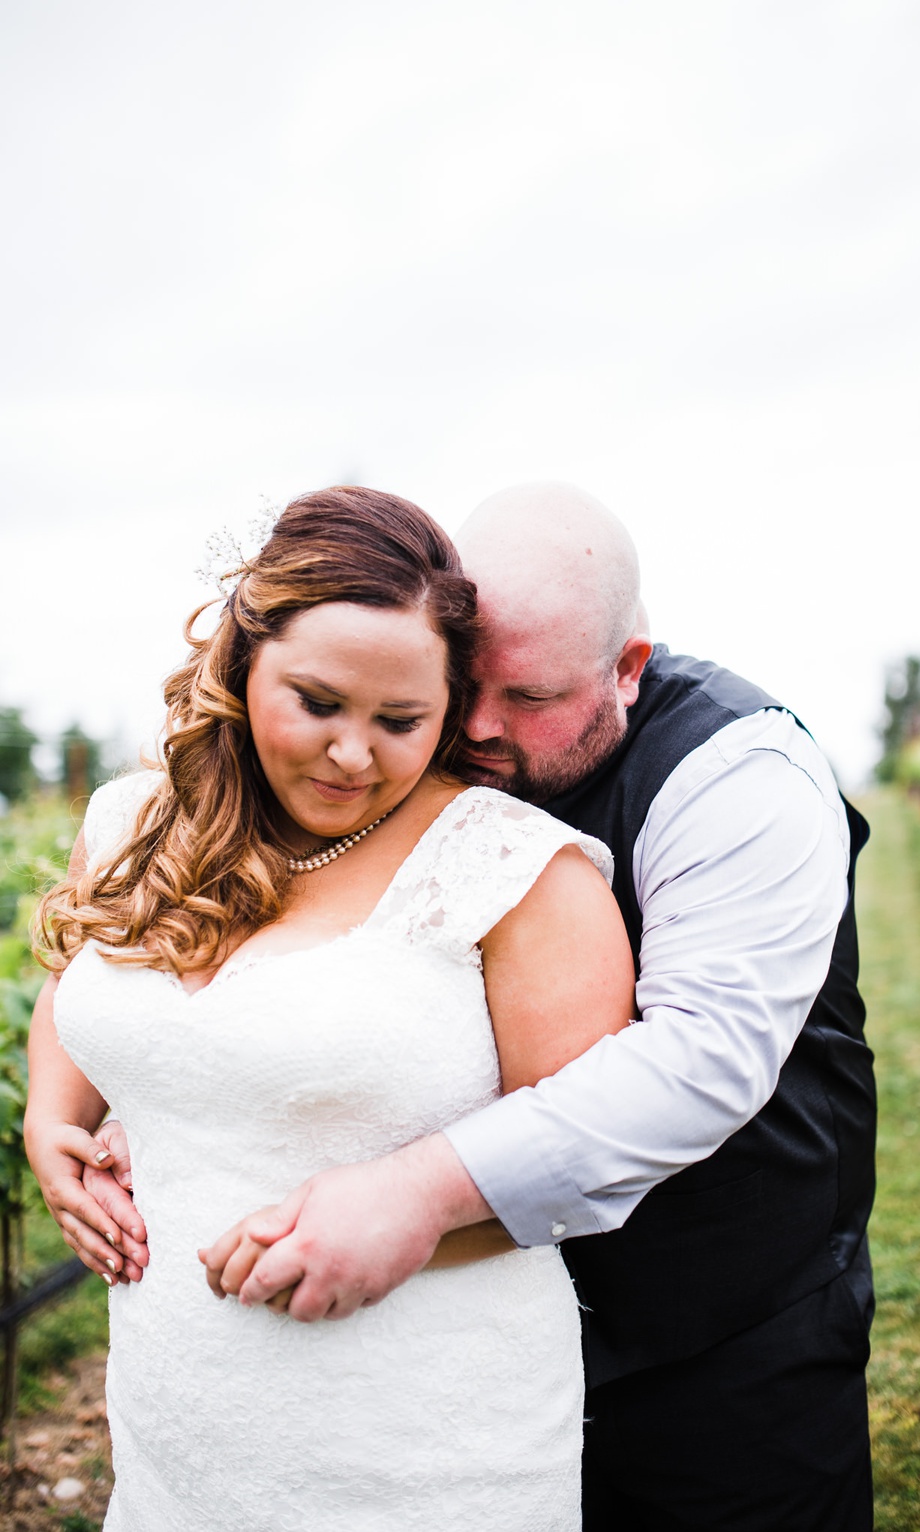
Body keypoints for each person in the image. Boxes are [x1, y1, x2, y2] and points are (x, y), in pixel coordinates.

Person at [69, 481, 876, 1530]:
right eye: (460, 688)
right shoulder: (379, 758)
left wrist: (413, 1193)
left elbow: (700, 1063)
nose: (475, 730)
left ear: (625, 669)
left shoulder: (738, 773)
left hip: (717, 1310)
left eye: (527, 699)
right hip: (428, 1325)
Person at [25, 486, 636, 1532]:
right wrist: (51, 1123)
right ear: (242, 660)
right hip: (175, 1427)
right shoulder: (131, 820)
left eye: (401, 720)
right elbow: (78, 994)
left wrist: (412, 1222)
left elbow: (589, 1150)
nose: (355, 755)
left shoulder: (514, 872)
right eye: (317, 702)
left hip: (421, 1453)